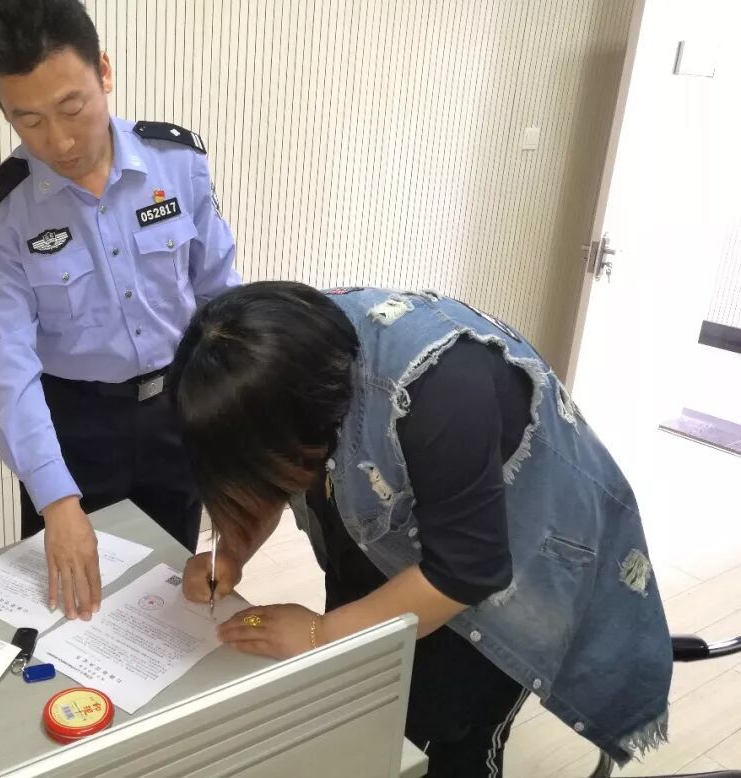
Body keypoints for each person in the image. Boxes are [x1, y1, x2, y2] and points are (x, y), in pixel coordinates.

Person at [169, 282, 672, 776]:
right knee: (367, 701)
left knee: (444, 735)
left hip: (498, 572)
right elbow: (274, 468)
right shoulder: (294, 362)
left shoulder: (441, 388)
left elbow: (467, 572)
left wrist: (323, 634)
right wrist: (230, 553)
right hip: (394, 537)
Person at [0, 0, 239, 622]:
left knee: (166, 600)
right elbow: (8, 366)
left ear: (104, 71)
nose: (58, 141)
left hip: (177, 409)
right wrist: (57, 501)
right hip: (72, 428)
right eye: (28, 120)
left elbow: (223, 300)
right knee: (71, 614)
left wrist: (234, 432)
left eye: (72, 107)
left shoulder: (177, 164)